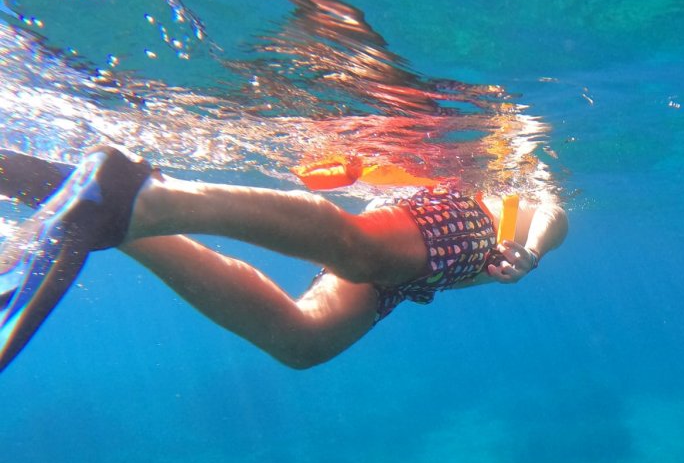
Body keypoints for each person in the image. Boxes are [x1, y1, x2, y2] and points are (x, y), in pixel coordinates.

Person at [0, 146, 567, 371]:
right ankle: (141, 198)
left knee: (303, 342)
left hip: (423, 270)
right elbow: (549, 209)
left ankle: (121, 225)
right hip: (468, 229)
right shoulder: (515, 176)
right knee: (362, 249)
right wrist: (533, 251)